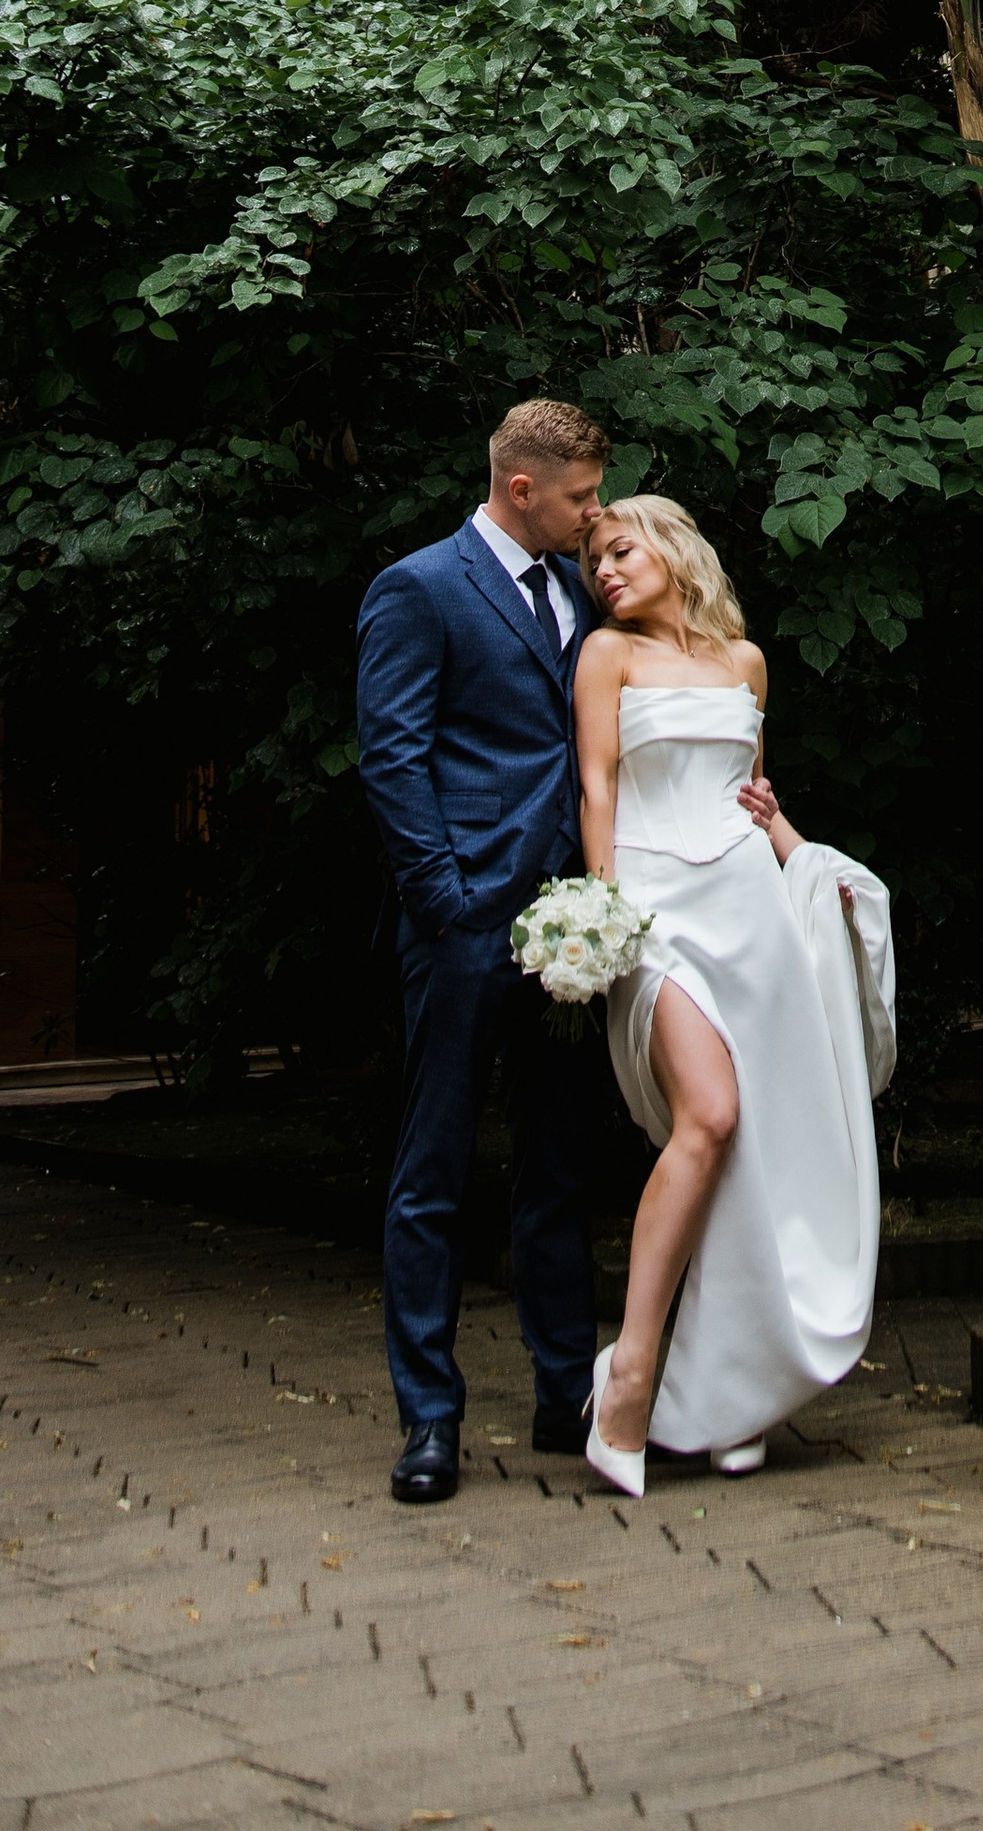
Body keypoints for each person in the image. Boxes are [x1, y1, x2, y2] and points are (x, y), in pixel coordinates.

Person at [571, 492, 894, 1493]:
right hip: (658, 913)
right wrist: (606, 919)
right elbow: (597, 789)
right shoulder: (604, 658)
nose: (606, 574)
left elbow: (753, 797)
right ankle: (628, 1376)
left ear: (672, 548)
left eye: (619, 552)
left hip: (748, 910)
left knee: (748, 1149)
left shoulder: (746, 663)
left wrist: (798, 847)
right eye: (593, 565)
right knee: (705, 1118)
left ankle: (732, 1392)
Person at [356, 397, 613, 1507]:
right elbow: (393, 756)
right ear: (522, 490)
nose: (593, 514)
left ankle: (566, 1394)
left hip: (571, 933)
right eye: (581, 496)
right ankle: (430, 1418)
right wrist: (449, 903)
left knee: (560, 1167)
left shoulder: (576, 594)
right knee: (435, 1173)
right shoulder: (419, 588)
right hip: (462, 927)